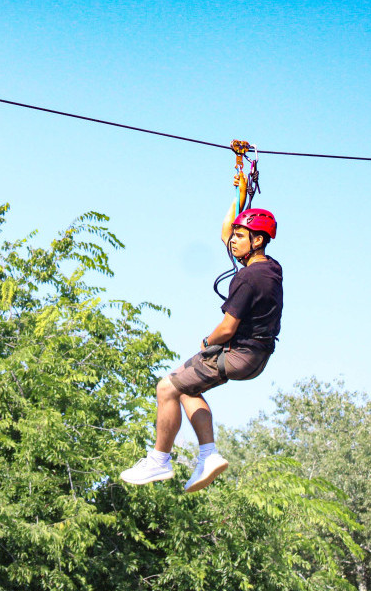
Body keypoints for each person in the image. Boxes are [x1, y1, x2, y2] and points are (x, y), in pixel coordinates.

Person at [119, 205, 282, 492]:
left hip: (238, 353)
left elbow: (227, 329)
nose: (232, 241)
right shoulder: (271, 268)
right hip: (257, 354)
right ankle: (208, 455)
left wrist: (208, 341)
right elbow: (225, 232)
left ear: (257, 240)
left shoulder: (247, 278)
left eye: (240, 236)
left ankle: (160, 460)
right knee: (186, 387)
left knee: (166, 388)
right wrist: (239, 191)